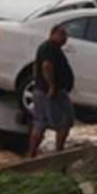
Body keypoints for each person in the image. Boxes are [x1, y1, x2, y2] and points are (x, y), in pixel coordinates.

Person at [26, 24, 76, 156]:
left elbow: (37, 67)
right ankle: (59, 154)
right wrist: (52, 86)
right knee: (64, 123)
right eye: (62, 34)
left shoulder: (49, 48)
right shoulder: (49, 47)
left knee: (40, 124)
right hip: (51, 93)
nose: (65, 38)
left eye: (66, 35)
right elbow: (46, 66)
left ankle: (31, 155)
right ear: (53, 33)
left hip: (42, 91)